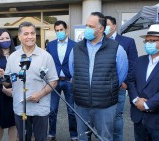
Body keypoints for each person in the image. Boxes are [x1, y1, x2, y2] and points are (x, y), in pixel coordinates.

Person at [69, 12, 128, 141]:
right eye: (86, 25)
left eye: (91, 26)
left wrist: (105, 89)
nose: (87, 29)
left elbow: (121, 76)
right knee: (83, 138)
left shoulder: (117, 49)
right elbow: (73, 72)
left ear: (101, 29)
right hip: (82, 104)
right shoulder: (76, 48)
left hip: (105, 105)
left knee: (105, 137)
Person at [0, 21, 58, 141]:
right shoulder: (13, 57)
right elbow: (8, 82)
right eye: (26, 34)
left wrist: (40, 94)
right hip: (20, 108)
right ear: (19, 37)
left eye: (33, 33)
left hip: (40, 108)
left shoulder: (46, 56)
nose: (30, 36)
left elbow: (53, 81)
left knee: (40, 138)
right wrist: (1, 77)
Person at [104, 16, 138, 141]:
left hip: (119, 86)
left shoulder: (127, 42)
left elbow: (133, 64)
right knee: (103, 116)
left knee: (117, 116)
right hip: (101, 87)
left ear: (114, 26)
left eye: (107, 24)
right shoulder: (99, 41)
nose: (105, 27)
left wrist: (125, 82)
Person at [46, 20, 77, 141]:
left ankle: (74, 135)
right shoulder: (51, 45)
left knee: (72, 111)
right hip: (54, 81)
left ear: (66, 30)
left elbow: (78, 62)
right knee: (52, 110)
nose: (59, 32)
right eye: (57, 30)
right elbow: (47, 63)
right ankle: (51, 134)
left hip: (69, 81)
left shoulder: (75, 45)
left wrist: (75, 77)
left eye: (61, 30)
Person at [0, 28, 17, 141]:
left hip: (15, 95)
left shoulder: (17, 55)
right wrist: (4, 89)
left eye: (7, 38)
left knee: (14, 123)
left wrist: (13, 90)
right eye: (2, 38)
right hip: (0, 95)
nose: (5, 40)